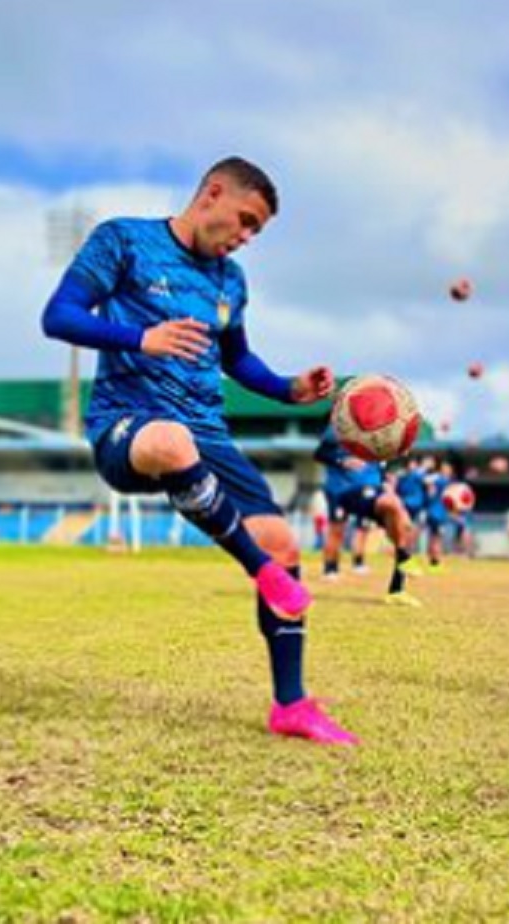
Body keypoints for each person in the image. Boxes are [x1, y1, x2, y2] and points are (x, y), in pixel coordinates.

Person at [41, 156, 355, 745]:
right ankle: (259, 571)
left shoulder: (230, 281)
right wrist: (141, 338)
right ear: (211, 193)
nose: (245, 237)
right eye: (244, 220)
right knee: (171, 439)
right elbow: (57, 316)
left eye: (256, 231)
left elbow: (237, 361)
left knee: (283, 541)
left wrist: (290, 388)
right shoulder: (124, 240)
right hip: (127, 426)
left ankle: (291, 704)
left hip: (209, 433)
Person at [314, 425, 423, 607]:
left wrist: (385, 481)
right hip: (343, 489)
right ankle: (331, 568)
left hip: (372, 488)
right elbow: (320, 453)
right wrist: (342, 461)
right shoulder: (342, 423)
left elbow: (379, 466)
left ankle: (397, 590)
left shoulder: (382, 432)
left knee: (404, 526)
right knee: (337, 529)